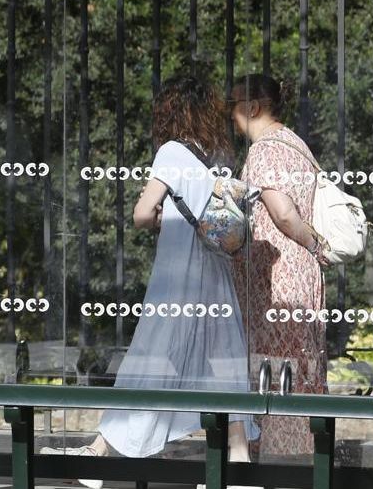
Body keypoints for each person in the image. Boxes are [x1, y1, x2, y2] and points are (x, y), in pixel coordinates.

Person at [52, 74, 257, 487]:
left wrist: (163, 218)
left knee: (152, 354)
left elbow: (143, 212)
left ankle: (99, 457)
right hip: (215, 275)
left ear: (170, 112)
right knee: (223, 365)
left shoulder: (171, 152)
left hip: (178, 276)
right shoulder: (215, 155)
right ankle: (239, 465)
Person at [230, 73, 329, 458]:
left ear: (252, 107)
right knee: (298, 367)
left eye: (233, 105)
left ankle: (278, 462)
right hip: (301, 272)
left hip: (278, 279)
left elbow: (283, 213)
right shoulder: (297, 144)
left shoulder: (265, 150)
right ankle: (302, 457)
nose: (231, 115)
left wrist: (315, 243)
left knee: (275, 371)